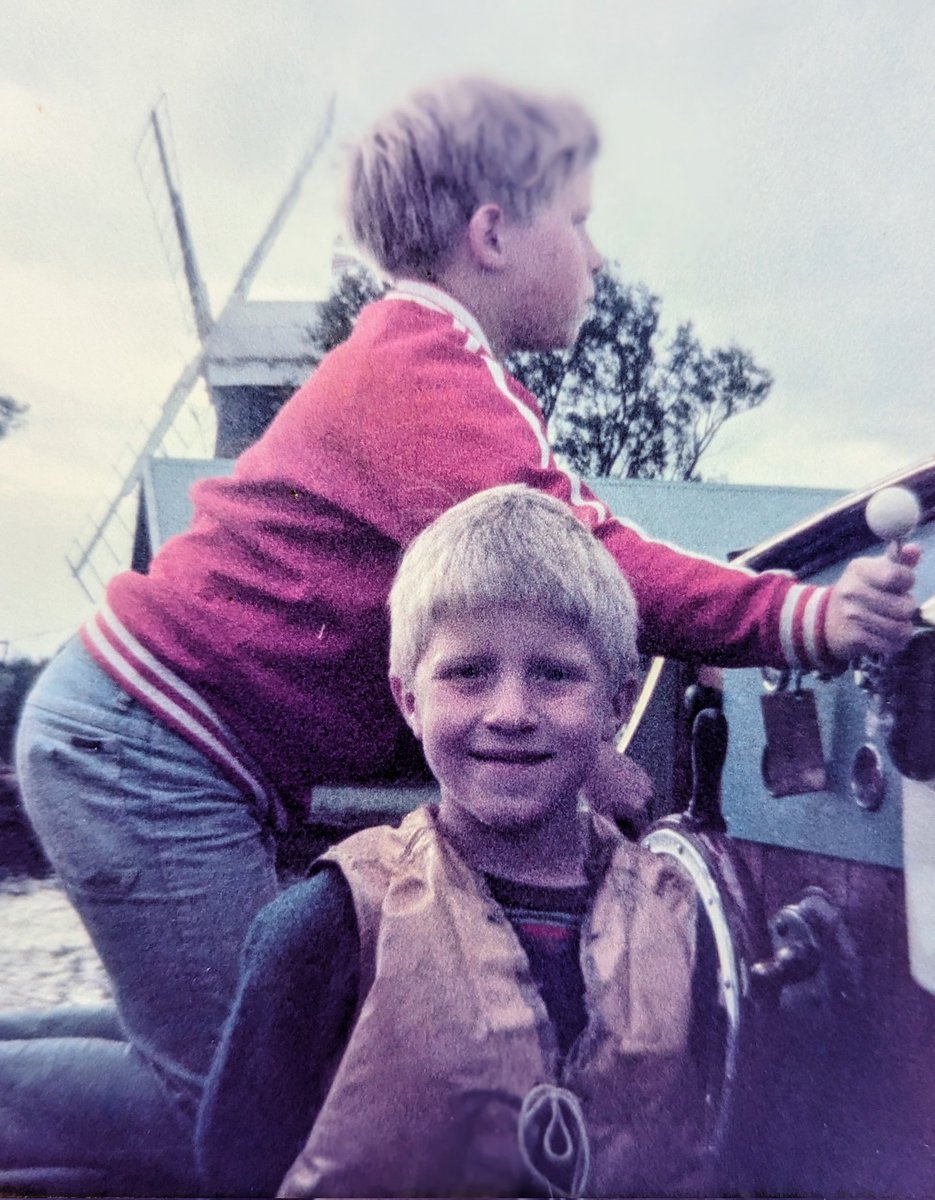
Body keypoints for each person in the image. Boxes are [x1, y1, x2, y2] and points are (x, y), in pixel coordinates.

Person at [5, 76, 918, 1191]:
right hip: (148, 747)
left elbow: (476, 611)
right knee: (254, 1095)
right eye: (576, 222)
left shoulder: (422, 370)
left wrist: (586, 773)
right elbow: (584, 561)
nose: (593, 255)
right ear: (491, 230)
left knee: (223, 1029)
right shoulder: (418, 368)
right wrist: (801, 615)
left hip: (138, 732)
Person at [197, 484, 720, 1198]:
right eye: (467, 673)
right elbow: (236, 1166)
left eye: (555, 674)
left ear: (618, 704)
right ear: (410, 699)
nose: (510, 712)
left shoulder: (682, 922)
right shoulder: (326, 927)